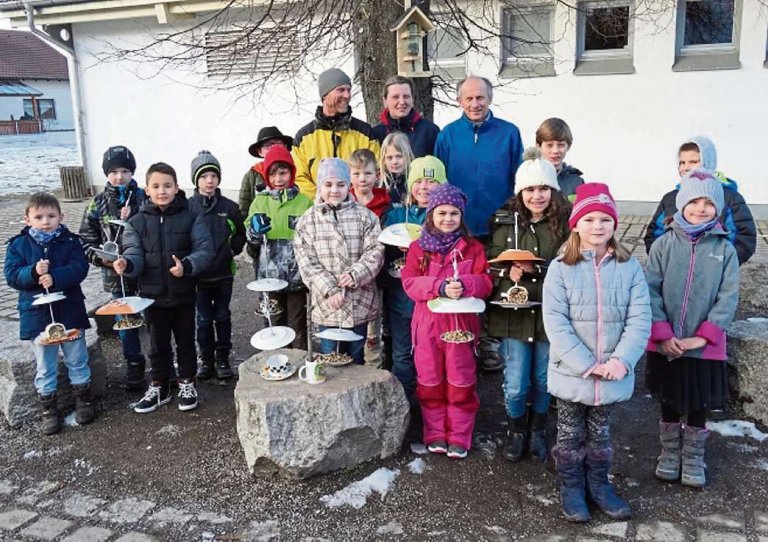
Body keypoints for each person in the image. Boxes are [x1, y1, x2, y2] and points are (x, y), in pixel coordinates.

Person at [543, 183, 650, 523]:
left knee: (601, 433)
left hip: (612, 372)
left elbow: (640, 319)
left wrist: (621, 360)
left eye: (605, 219)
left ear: (615, 224)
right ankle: (572, 487)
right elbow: (556, 323)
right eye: (589, 219)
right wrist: (587, 364)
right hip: (574, 371)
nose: (598, 227)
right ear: (576, 224)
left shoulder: (629, 267)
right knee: (571, 432)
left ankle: (599, 484)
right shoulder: (560, 268)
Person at [645, 170, 739, 488]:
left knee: (699, 402)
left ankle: (695, 455)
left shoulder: (725, 250)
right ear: (681, 204)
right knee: (669, 399)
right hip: (667, 342)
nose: (701, 208)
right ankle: (670, 452)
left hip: (704, 346)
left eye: (709, 203)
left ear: (719, 208)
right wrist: (663, 333)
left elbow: (728, 296)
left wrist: (705, 335)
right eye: (694, 201)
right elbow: (650, 291)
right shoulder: (663, 245)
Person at [488, 148, 571, 463]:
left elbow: (573, 265)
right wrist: (505, 270)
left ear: (553, 190)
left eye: (543, 189)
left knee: (542, 377)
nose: (537, 196)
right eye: (530, 190)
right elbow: (490, 259)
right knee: (517, 378)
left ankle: (538, 429)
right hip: (515, 315)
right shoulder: (504, 222)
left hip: (550, 315)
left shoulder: (565, 225)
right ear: (520, 192)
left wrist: (541, 269)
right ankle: (516, 430)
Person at [401, 183, 493, 460]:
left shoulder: (473, 248)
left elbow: (486, 282)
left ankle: (460, 435)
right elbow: (409, 282)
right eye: (442, 212)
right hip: (427, 328)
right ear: (431, 214)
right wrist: (438, 287)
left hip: (461, 328)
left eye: (454, 213)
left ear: (461, 216)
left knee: (460, 380)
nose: (448, 219)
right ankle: (435, 432)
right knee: (429, 381)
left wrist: (467, 283)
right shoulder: (419, 248)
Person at [113, 163, 214, 414]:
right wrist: (126, 264)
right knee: (157, 344)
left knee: (186, 342)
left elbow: (205, 249)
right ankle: (160, 384)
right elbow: (134, 253)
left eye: (167, 186)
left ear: (176, 187)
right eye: (156, 186)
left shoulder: (191, 217)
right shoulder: (136, 222)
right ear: (147, 190)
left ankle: (187, 382)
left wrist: (187, 267)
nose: (162, 191)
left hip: (183, 294)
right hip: (151, 296)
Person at [4, 192, 95, 435]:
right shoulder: (18, 245)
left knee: (77, 357)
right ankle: (49, 410)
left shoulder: (71, 241)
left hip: (70, 311)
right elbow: (12, 276)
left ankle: (83, 400)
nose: (46, 221)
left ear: (61, 216)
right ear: (27, 219)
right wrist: (32, 272)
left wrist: (56, 277)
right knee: (45, 365)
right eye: (39, 217)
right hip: (38, 317)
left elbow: (80, 268)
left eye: (51, 216)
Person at [293, 158, 384, 365]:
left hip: (358, 301)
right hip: (328, 306)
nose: (335, 190)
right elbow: (306, 261)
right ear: (319, 186)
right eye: (328, 184)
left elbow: (375, 252)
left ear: (348, 186)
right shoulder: (308, 221)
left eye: (340, 185)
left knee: (356, 357)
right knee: (330, 358)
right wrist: (330, 289)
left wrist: (355, 274)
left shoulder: (366, 217)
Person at [79, 145, 147, 390]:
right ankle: (134, 365)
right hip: (114, 274)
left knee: (154, 317)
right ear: (107, 173)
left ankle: (163, 363)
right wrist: (103, 260)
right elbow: (85, 240)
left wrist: (134, 216)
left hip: (145, 272)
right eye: (114, 171)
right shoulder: (97, 204)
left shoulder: (144, 196)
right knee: (125, 322)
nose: (120, 176)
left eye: (125, 171)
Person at [381, 155, 448, 402]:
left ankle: (430, 403)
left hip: (434, 304)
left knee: (430, 353)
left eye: (431, 181)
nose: (424, 187)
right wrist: (396, 251)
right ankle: (403, 404)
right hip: (401, 300)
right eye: (418, 181)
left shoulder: (446, 216)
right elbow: (383, 250)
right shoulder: (397, 216)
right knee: (401, 354)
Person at [643, 136, 756, 265]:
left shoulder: (729, 198)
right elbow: (654, 234)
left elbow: (744, 238)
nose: (686, 167)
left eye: (693, 161)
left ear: (709, 162)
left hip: (713, 273)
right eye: (682, 162)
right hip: (675, 270)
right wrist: (663, 260)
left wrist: (722, 263)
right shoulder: (670, 198)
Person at [434, 76, 523, 238]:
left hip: (500, 226)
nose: (475, 104)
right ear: (459, 101)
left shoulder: (509, 133)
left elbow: (520, 179)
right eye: (469, 99)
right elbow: (439, 184)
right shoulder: (447, 135)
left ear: (490, 98)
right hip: (458, 228)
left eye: (480, 98)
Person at [246, 145, 313, 350]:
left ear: (291, 173)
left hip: (296, 278)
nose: (278, 179)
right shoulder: (260, 202)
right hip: (269, 277)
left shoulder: (305, 202)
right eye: (273, 174)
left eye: (283, 173)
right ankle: (277, 363)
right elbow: (251, 238)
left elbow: (312, 236)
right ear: (266, 176)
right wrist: (255, 231)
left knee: (297, 324)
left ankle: (301, 363)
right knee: (274, 325)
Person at [188, 151, 246, 380]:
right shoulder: (189, 206)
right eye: (204, 176)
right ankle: (206, 359)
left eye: (213, 175)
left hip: (223, 275)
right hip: (198, 276)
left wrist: (231, 251)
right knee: (202, 319)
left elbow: (240, 234)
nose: (209, 180)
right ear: (196, 180)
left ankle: (222, 358)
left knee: (222, 316)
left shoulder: (229, 207)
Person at [293, 68, 380, 197]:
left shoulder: (365, 133)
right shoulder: (304, 137)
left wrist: (350, 200)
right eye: (341, 90)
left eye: (348, 90)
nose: (347, 95)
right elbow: (299, 177)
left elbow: (377, 170)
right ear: (324, 94)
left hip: (357, 209)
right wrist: (323, 199)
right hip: (317, 210)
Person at [349, 148, 391, 365]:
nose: (362, 179)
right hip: (351, 274)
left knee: (374, 331)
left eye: (367, 173)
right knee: (354, 329)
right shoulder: (344, 202)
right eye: (356, 174)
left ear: (377, 175)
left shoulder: (386, 204)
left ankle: (374, 368)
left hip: (378, 274)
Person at [372, 75, 440, 158]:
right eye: (395, 97)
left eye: (406, 97)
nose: (402, 102)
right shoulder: (376, 134)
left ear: (412, 99)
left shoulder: (429, 132)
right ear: (385, 101)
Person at [238, 126, 294, 217]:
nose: (273, 148)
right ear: (260, 151)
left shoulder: (297, 169)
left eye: (278, 143)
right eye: (268, 145)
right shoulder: (251, 175)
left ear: (285, 146)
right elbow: (244, 208)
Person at [535, 118, 584, 200]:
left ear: (568, 146)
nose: (555, 151)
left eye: (561, 145)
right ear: (539, 146)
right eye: (549, 145)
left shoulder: (576, 181)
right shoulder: (529, 178)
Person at [379, 131, 415, 207]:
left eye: (399, 156)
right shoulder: (379, 184)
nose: (395, 162)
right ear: (384, 159)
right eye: (390, 158)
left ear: (407, 155)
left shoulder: (415, 182)